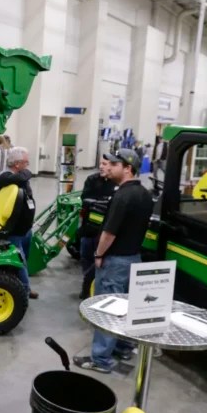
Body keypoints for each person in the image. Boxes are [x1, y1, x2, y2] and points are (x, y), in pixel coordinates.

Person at [73, 148, 154, 373]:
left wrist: (99, 254)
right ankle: (123, 347)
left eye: (114, 164)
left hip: (115, 261)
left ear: (128, 169)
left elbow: (109, 233)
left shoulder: (122, 196)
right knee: (125, 307)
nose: (108, 167)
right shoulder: (145, 194)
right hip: (133, 258)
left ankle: (100, 359)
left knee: (107, 310)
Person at [0, 146, 38, 300]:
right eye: (26, 162)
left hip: (25, 229)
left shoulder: (20, 176)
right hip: (14, 230)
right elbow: (23, 176)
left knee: (25, 258)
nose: (28, 165)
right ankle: (24, 291)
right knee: (20, 262)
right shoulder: (5, 177)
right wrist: (27, 173)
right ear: (17, 164)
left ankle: (22, 286)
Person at [77, 155, 116, 299]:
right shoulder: (91, 180)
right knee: (86, 257)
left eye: (105, 164)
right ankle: (88, 282)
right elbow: (84, 199)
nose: (101, 167)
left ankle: (93, 285)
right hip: (89, 229)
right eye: (100, 164)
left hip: (104, 232)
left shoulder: (115, 184)